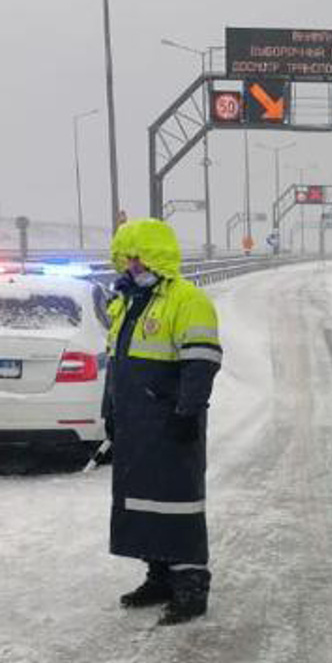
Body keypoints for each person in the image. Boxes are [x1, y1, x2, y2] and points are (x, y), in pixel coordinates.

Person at [101, 217, 223, 626]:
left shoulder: (187, 300)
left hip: (171, 422)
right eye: (127, 261)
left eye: (137, 260)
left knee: (178, 503)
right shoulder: (126, 303)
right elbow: (116, 364)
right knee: (140, 501)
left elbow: (201, 362)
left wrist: (187, 413)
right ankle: (158, 574)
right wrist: (110, 410)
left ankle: (190, 584)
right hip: (135, 425)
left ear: (156, 257)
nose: (132, 268)